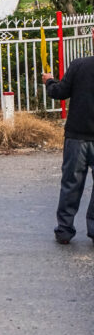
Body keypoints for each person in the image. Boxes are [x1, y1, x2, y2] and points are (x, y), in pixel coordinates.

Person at [43, 52, 94, 245]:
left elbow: (60, 92)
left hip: (77, 136)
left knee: (71, 184)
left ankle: (64, 230)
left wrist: (49, 81)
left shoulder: (79, 65)